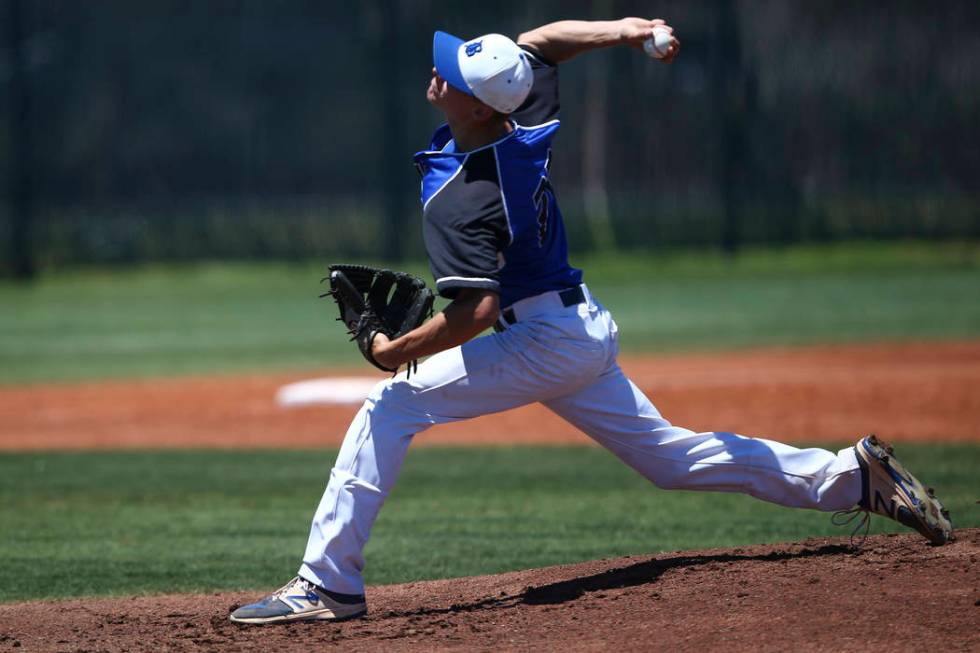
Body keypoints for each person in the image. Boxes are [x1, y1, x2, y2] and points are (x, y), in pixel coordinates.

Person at [230, 17, 952, 625]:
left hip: (541, 338)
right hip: (574, 327)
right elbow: (541, 43)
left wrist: (397, 352)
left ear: (481, 107)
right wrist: (627, 28)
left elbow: (475, 310)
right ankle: (851, 478)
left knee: (388, 406)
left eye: (451, 72)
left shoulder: (464, 196)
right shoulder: (518, 113)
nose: (437, 70)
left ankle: (327, 584)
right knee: (671, 459)